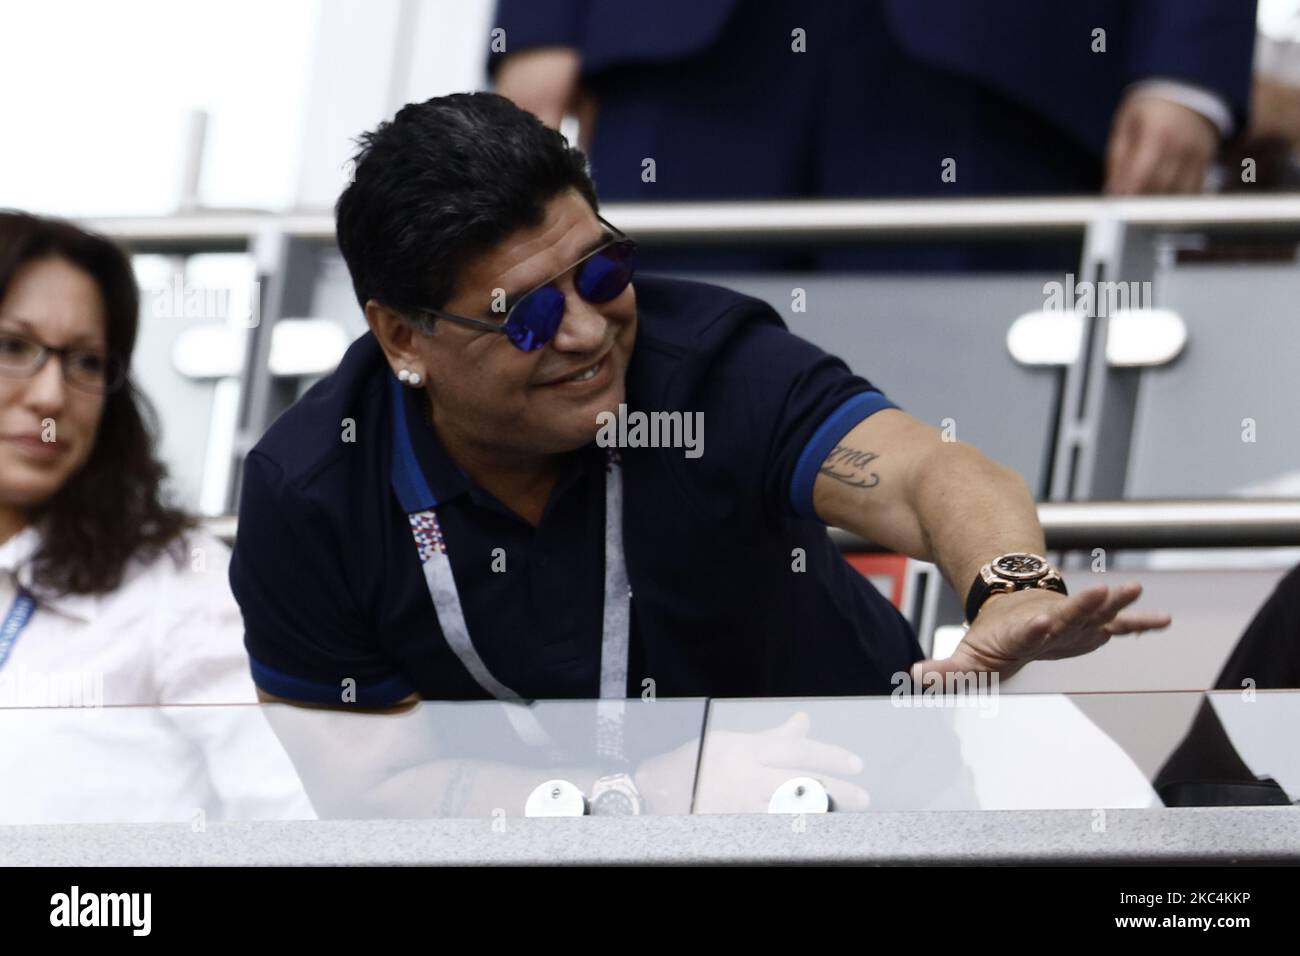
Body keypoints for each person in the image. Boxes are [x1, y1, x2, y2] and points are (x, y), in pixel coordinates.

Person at [230, 92, 1170, 711]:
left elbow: (928, 472)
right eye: (527, 316)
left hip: (851, 817)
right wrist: (651, 806)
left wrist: (1007, 585)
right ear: (403, 337)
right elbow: (361, 780)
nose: (589, 333)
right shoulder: (312, 490)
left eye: (602, 270)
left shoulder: (707, 365)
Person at [491, 0, 1257, 271]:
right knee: (658, 400)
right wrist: (541, 20)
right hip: (684, 55)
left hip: (1003, 59)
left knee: (963, 417)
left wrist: (1187, 62)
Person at [0, 210, 312, 823]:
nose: (50, 396)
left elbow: (304, 830)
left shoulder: (179, 586)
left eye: (86, 362)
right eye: (14, 347)